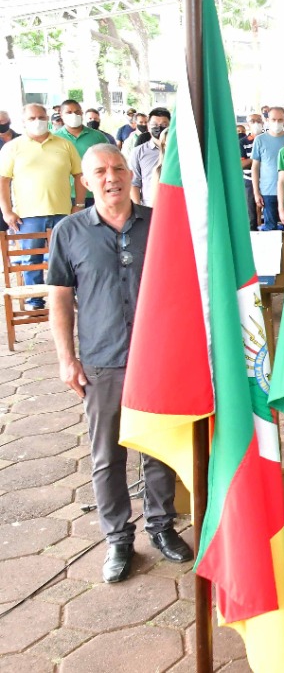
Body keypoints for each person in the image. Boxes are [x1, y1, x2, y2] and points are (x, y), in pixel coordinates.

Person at [48, 144, 192, 583]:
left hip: (156, 359)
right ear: (85, 181)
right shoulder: (69, 231)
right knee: (107, 454)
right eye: (100, 171)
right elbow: (60, 298)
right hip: (102, 360)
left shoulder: (160, 224)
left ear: (131, 174)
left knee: (157, 447)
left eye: (118, 168)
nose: (111, 177)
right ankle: (118, 538)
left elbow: (184, 286)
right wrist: (67, 359)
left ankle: (162, 526)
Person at [0, 103, 85, 309]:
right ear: (23, 122)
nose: (37, 121)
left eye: (41, 117)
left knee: (67, 257)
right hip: (27, 215)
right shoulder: (13, 147)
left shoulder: (64, 145)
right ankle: (35, 301)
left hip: (63, 212)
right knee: (31, 258)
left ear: (48, 118)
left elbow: (79, 175)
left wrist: (79, 204)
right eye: (32, 118)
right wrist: (7, 211)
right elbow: (3, 180)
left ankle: (68, 297)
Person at [250, 107, 284, 231]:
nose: (277, 122)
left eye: (280, 120)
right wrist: (256, 192)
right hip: (268, 191)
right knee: (270, 228)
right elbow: (255, 167)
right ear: (267, 120)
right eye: (274, 119)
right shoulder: (259, 140)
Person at [127, 120, 165, 207]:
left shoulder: (177, 151)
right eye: (155, 124)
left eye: (164, 124)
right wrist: (138, 208)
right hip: (150, 206)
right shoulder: (139, 151)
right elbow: (134, 183)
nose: (159, 128)